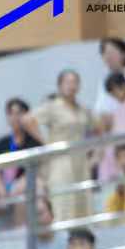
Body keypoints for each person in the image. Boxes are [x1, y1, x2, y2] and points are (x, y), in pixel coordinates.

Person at [32, 70, 98, 222]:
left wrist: (96, 155)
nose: (71, 86)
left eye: (75, 82)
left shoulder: (82, 109)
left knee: (83, 205)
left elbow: (98, 127)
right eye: (68, 82)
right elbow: (29, 120)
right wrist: (45, 143)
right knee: (64, 204)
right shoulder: (53, 106)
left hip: (81, 160)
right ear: (59, 85)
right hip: (60, 161)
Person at [0, 96, 45, 201]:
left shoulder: (34, 142)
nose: (15, 118)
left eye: (19, 113)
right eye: (11, 113)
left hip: (25, 188)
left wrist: (34, 130)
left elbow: (41, 168)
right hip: (3, 189)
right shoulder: (0, 144)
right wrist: (0, 187)